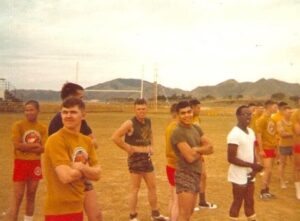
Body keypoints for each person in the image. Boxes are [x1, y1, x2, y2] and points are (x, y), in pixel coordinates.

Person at [48, 82, 102, 221]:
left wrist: (82, 167)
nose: (68, 116)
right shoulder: (57, 126)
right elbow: (65, 174)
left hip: (80, 181)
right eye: (81, 97)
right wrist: (86, 169)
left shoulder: (81, 125)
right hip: (63, 193)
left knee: (96, 215)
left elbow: (97, 170)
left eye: (73, 112)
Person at [111, 98, 169, 221]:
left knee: (152, 187)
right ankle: (133, 216)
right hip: (135, 159)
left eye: (143, 108)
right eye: (138, 109)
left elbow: (150, 133)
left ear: (146, 108)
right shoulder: (129, 123)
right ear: (134, 110)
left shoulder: (148, 121)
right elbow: (115, 137)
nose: (141, 111)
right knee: (135, 188)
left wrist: (151, 146)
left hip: (147, 158)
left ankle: (155, 214)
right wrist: (128, 148)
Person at [170, 100, 213, 221]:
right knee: (184, 214)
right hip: (185, 175)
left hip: (196, 174)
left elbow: (211, 148)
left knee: (189, 213)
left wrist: (196, 149)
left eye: (189, 112)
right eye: (183, 113)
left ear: (192, 111)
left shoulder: (196, 128)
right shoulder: (178, 132)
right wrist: (202, 151)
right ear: (178, 115)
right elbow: (189, 158)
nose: (187, 115)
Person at [8, 100, 47, 221]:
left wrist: (28, 147)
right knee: (18, 196)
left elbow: (43, 148)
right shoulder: (18, 126)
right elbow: (18, 145)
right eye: (26, 110)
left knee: (31, 195)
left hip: (35, 164)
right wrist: (35, 146)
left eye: (31, 110)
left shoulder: (42, 128)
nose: (28, 112)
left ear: (38, 111)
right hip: (21, 163)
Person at [227, 105, 264, 221]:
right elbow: (231, 158)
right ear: (238, 116)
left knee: (249, 201)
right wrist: (253, 165)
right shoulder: (234, 134)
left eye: (250, 114)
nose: (248, 117)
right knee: (237, 202)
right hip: (238, 173)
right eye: (245, 114)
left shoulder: (251, 132)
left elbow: (251, 151)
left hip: (249, 171)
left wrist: (254, 170)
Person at [189, 99, 217, 211]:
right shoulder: (187, 119)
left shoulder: (197, 119)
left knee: (203, 176)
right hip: (191, 152)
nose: (200, 110)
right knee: (193, 177)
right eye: (198, 107)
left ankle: (202, 201)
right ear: (192, 107)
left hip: (199, 151)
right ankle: (192, 202)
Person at [256, 100, 278, 199]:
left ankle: (266, 190)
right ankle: (262, 191)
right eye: (275, 107)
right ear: (269, 107)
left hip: (272, 147)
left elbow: (273, 134)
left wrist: (276, 147)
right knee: (267, 169)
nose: (276, 109)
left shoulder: (271, 119)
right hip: (266, 147)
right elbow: (259, 135)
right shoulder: (262, 119)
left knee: (270, 171)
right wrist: (261, 149)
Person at [165, 103, 179, 221]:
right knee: (177, 201)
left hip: (170, 166)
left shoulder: (170, 126)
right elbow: (172, 151)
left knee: (172, 198)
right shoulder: (175, 128)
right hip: (176, 166)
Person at [277, 106, 293, 189]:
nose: (290, 114)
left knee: (296, 164)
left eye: (291, 112)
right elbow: (282, 134)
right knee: (282, 164)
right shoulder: (280, 122)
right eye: (288, 112)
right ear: (283, 113)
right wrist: (294, 133)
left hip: (293, 145)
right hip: (283, 146)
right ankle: (282, 181)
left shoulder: (294, 122)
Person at [292, 97, 300, 199]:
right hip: (298, 144)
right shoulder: (295, 114)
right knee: (297, 168)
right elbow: (298, 131)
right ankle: (298, 189)